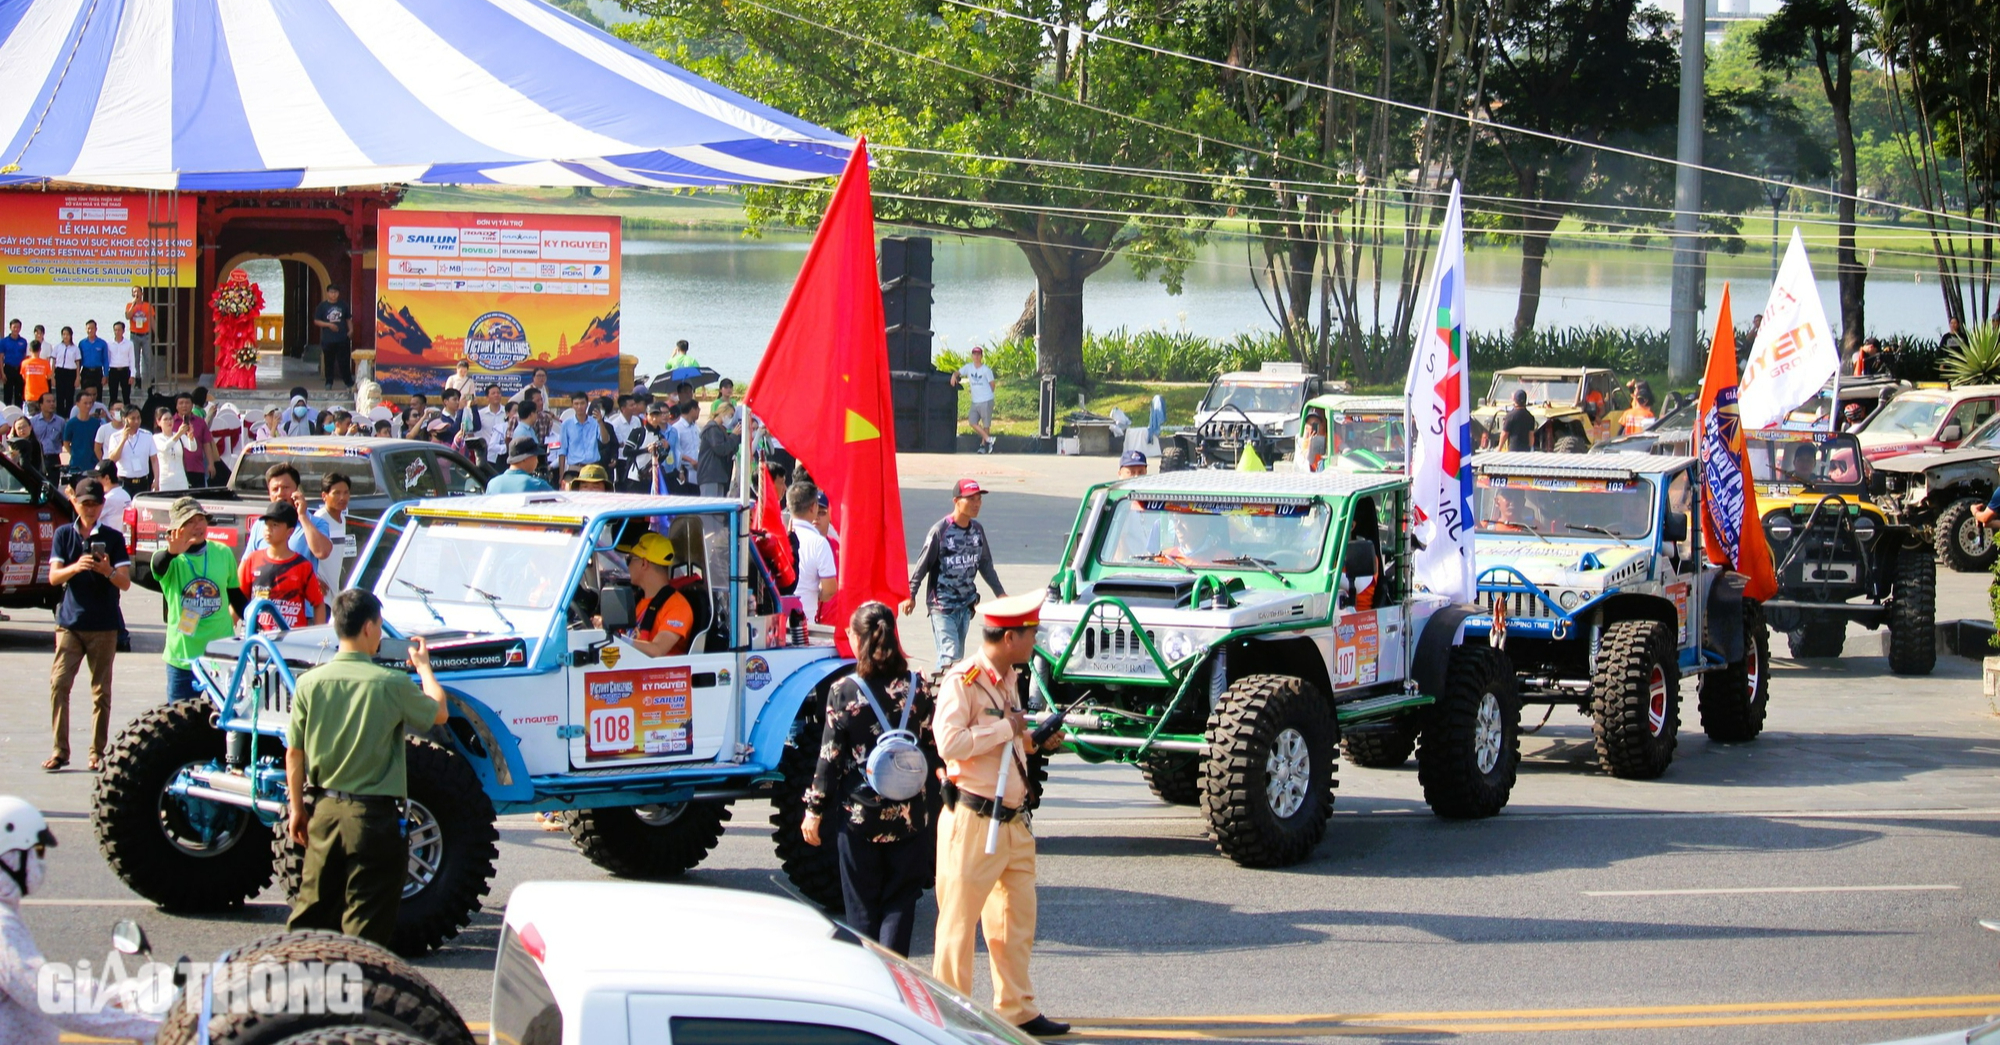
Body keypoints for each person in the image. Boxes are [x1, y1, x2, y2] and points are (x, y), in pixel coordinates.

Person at [932, 593, 1069, 1037]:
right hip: (973, 819)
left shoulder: (1009, 676)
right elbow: (950, 744)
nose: (1035, 641)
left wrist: (1033, 740)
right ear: (1009, 637)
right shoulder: (963, 680)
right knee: (957, 924)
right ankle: (952, 1018)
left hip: (1011, 819)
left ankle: (1017, 1008)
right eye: (1030, 634)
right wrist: (1004, 729)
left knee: (1015, 919)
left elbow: (1008, 742)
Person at [284, 590, 448, 948]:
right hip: (373, 819)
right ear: (371, 628)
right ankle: (356, 997)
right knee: (365, 932)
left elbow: (294, 754)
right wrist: (423, 668)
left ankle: (304, 995)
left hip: (323, 813)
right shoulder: (391, 684)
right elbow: (438, 711)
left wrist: (297, 809)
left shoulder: (308, 683)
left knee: (310, 920)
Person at [801, 601, 939, 957]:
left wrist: (814, 810)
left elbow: (829, 758)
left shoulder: (844, 691)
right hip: (911, 816)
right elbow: (932, 746)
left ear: (857, 638)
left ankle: (869, 984)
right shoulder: (916, 686)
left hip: (861, 816)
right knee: (900, 903)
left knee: (862, 907)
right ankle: (895, 979)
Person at [0, 796, 163, 1045]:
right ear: (9, 856)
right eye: (37, 851)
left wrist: (119, 994)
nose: (40, 861)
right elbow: (52, 999)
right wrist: (149, 1027)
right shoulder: (3, 926)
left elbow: (43, 984)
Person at [45, 480, 130, 773]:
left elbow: (126, 582)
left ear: (102, 505)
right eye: (85, 504)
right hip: (70, 623)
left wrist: (106, 570)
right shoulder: (63, 535)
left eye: (95, 504)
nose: (90, 509)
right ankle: (60, 749)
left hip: (104, 624)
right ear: (75, 503)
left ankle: (96, 751)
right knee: (59, 684)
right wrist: (76, 567)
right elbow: (54, 577)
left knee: (101, 692)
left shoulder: (113, 538)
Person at [139, 497, 242, 702]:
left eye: (200, 519)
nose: (197, 526)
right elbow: (157, 568)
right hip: (183, 658)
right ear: (176, 529)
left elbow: (236, 597)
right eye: (189, 522)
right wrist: (171, 553)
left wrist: (259, 624)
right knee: (179, 722)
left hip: (220, 656)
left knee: (225, 722)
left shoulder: (222, 552)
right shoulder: (170, 559)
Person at [904, 479, 1007, 670]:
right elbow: (922, 565)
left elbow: (985, 564)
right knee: (950, 658)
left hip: (966, 605)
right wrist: (911, 594)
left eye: (979, 499)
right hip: (942, 605)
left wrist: (1000, 594)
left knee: (956, 659)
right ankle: (949, 697)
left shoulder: (977, 530)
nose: (976, 504)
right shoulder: (940, 531)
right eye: (970, 499)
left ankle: (944, 695)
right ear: (956, 501)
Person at [239, 502, 327, 630]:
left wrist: (318, 635)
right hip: (258, 639)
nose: (269, 528)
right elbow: (239, 598)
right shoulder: (253, 559)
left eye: (275, 525)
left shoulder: (302, 566)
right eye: (267, 524)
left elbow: (318, 603)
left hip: (291, 640)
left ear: (289, 531)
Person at [616, 532, 696, 658]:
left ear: (644, 563)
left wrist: (618, 640)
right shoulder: (638, 600)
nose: (628, 566)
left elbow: (657, 650)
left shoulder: (678, 607)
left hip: (659, 675)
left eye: (629, 559)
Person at [789, 481, 839, 623]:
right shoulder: (818, 542)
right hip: (804, 619)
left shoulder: (778, 537)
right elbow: (829, 589)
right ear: (813, 507)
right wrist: (814, 594)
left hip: (777, 618)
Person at [953, 346, 998, 454]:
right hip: (975, 401)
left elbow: (992, 385)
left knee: (986, 424)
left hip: (986, 400)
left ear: (981, 356)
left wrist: (986, 394)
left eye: (978, 354)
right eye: (974, 354)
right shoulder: (969, 367)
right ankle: (989, 439)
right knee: (972, 422)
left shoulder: (986, 370)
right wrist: (953, 376)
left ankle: (983, 446)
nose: (976, 356)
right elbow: (957, 373)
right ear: (972, 356)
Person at [102, 406, 155, 494]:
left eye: (138, 418)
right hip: (124, 481)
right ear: (124, 419)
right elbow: (112, 459)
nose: (136, 421)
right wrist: (123, 440)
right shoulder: (115, 437)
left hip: (142, 481)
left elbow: (154, 459)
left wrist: (156, 479)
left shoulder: (147, 435)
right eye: (133, 418)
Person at [170, 392, 215, 487]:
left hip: (197, 468)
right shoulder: (170, 423)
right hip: (176, 470)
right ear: (176, 406)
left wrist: (211, 464)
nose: (184, 406)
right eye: (181, 403)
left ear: (192, 405)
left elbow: (206, 443)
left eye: (187, 403)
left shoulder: (200, 422)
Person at [315, 286, 354, 391]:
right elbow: (317, 321)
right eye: (331, 292)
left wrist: (351, 330)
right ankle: (329, 382)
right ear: (327, 293)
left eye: (335, 292)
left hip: (342, 338)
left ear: (338, 293)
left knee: (344, 362)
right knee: (329, 362)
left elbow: (348, 319)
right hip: (328, 339)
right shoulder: (322, 306)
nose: (333, 295)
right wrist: (329, 325)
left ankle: (348, 383)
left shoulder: (343, 305)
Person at [60, 388, 103, 483]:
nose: (88, 406)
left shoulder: (96, 423)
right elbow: (66, 443)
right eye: (85, 403)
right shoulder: (71, 423)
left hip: (92, 463)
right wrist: (75, 454)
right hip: (77, 465)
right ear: (78, 404)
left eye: (90, 403)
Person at [488, 437, 555, 493]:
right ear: (525, 458)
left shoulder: (492, 484)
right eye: (535, 456)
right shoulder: (537, 485)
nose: (537, 461)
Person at [698, 402, 737, 497]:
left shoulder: (721, 429)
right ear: (723, 412)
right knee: (710, 507)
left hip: (719, 475)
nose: (730, 418)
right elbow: (720, 449)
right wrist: (733, 436)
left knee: (718, 508)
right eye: (730, 415)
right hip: (710, 474)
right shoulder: (712, 428)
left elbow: (729, 449)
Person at [555, 392, 599, 476]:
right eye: (576, 404)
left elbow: (605, 440)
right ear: (572, 405)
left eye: (582, 403)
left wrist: (600, 422)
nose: (579, 407)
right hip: (574, 467)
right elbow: (563, 450)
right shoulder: (566, 424)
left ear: (587, 404)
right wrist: (561, 475)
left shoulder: (595, 422)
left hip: (592, 467)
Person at [152, 408, 190, 493]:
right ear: (158, 422)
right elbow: (164, 448)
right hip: (165, 479)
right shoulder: (156, 437)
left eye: (170, 419)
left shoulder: (179, 435)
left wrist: (191, 436)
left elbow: (193, 448)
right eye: (165, 419)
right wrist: (179, 434)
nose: (169, 421)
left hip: (181, 479)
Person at [47, 326, 79, 417]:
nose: (65, 336)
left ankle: (69, 415)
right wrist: (52, 376)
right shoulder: (57, 347)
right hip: (60, 372)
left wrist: (77, 377)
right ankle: (60, 415)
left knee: (69, 395)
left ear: (71, 335)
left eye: (67, 334)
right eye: (64, 334)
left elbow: (77, 363)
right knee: (59, 395)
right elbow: (53, 362)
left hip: (70, 373)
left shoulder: (75, 348)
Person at [105, 320, 134, 409]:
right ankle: (111, 413)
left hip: (125, 371)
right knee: (113, 395)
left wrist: (132, 375)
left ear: (123, 331)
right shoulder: (109, 344)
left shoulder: (129, 344)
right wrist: (105, 374)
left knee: (126, 395)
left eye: (119, 330)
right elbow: (108, 359)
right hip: (113, 371)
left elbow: (132, 360)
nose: (117, 332)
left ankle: (128, 413)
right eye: (115, 330)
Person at [76, 320, 106, 398]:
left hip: (97, 372)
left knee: (98, 395)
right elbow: (79, 360)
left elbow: (105, 360)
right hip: (86, 372)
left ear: (96, 329)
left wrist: (105, 375)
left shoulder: (102, 343)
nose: (90, 330)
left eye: (92, 328)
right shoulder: (82, 343)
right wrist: (77, 375)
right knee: (85, 395)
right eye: (88, 328)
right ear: (86, 329)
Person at [124, 286, 155, 362]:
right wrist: (133, 304)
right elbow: (128, 316)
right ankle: (136, 374)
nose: (136, 293)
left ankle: (149, 374)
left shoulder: (148, 306)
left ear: (142, 293)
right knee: (135, 359)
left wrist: (156, 335)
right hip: (134, 335)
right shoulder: (129, 305)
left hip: (146, 336)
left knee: (148, 359)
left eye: (138, 291)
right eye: (134, 292)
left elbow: (152, 321)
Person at [18, 338, 49, 412]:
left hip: (30, 395)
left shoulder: (24, 363)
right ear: (40, 349)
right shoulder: (45, 363)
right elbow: (48, 376)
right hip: (43, 396)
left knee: (30, 420)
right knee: (43, 419)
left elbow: (23, 377)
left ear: (30, 349)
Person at [0, 319, 23, 407]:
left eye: (18, 327)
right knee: (8, 394)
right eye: (14, 327)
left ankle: (19, 414)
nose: (16, 329)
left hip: (20, 370)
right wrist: (2, 373)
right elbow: (1, 358)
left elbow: (25, 357)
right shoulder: (4, 341)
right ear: (10, 328)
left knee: (19, 394)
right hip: (8, 369)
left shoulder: (23, 341)